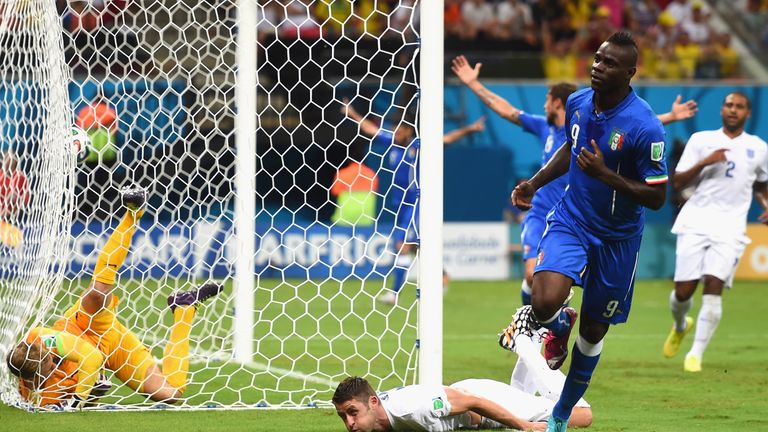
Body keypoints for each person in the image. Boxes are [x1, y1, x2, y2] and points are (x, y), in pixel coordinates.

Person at [509, 31, 668, 432]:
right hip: (573, 221)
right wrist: (536, 182)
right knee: (543, 300)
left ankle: (561, 412)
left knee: (594, 332)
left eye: (610, 63)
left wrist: (604, 174)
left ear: (630, 72)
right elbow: (570, 146)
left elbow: (657, 197)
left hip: (618, 240)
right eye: (597, 59)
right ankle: (556, 322)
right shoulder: (578, 102)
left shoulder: (645, 127)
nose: (598, 67)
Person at [451, 54, 697, 307]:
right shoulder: (543, 127)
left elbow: (629, 126)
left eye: (547, 100)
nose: (544, 106)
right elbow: (507, 110)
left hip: (576, 215)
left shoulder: (591, 127)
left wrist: (670, 116)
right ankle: (531, 327)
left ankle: (552, 323)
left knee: (561, 287)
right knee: (530, 275)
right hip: (541, 212)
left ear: (557, 103)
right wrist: (473, 84)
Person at [5, 186, 223, 409]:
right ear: (29, 380)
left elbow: (91, 358)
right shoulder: (40, 397)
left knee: (97, 294)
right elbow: (80, 397)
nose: (52, 368)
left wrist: (79, 399)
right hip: (114, 351)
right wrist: (91, 395)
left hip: (87, 327)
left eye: (50, 363)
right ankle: (184, 308)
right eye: (47, 371)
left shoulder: (42, 339)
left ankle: (133, 212)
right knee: (170, 394)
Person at [340, 99, 485, 305]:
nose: (395, 132)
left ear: (409, 130)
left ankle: (394, 294)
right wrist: (352, 113)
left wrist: (470, 128)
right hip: (400, 204)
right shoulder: (391, 141)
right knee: (419, 247)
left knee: (402, 246)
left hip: (417, 203)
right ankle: (442, 276)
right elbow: (371, 129)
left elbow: (447, 138)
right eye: (394, 129)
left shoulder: (418, 145)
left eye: (399, 130)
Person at [662, 92, 768, 372]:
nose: (733, 110)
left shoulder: (758, 148)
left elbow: (760, 184)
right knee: (683, 291)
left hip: (731, 227)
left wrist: (766, 204)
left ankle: (695, 354)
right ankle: (681, 324)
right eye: (729, 105)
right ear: (722, 110)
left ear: (748, 113)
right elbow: (678, 181)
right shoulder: (701, 140)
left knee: (714, 286)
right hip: (696, 221)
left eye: (739, 107)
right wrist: (704, 162)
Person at [332, 327, 593, 432]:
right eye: (344, 416)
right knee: (520, 395)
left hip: (482, 398)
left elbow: (473, 401)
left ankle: (522, 343)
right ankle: (533, 336)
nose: (349, 423)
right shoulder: (376, 416)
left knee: (581, 415)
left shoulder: (414, 408)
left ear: (373, 402)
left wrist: (522, 425)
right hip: (470, 401)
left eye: (352, 413)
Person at [331, 143, 379, 227]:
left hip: (345, 217)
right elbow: (375, 191)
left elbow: (335, 192)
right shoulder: (371, 174)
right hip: (365, 217)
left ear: (348, 159)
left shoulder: (342, 174)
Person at [0, 150, 29, 247]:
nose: (8, 162)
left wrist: (10, 213)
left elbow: (25, 202)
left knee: (18, 242)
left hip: (14, 218)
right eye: (6, 159)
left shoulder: (21, 178)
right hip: (1, 217)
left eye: (11, 160)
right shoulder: (0, 176)